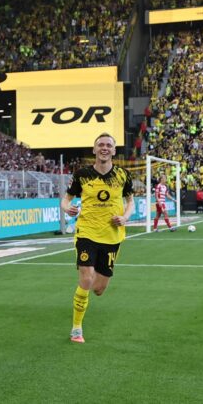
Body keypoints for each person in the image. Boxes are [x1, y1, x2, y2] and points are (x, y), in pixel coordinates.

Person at [61, 133, 134, 344]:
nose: (104, 148)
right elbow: (65, 200)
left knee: (99, 289)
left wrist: (125, 217)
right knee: (86, 277)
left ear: (113, 150)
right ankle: (76, 328)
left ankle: (81, 298)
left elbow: (130, 201)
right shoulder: (82, 174)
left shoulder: (123, 175)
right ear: (94, 150)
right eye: (100, 145)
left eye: (108, 145)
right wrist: (67, 209)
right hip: (87, 232)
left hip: (112, 236)